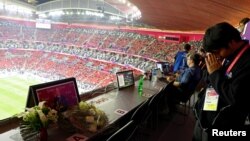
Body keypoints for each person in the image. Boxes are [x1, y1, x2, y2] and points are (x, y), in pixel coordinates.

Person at [193, 22, 250, 141]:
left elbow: (235, 97)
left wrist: (215, 74)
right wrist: (210, 72)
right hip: (206, 119)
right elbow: (210, 81)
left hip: (224, 129)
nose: (216, 56)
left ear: (231, 42)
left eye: (217, 52)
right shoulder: (226, 56)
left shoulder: (247, 61)